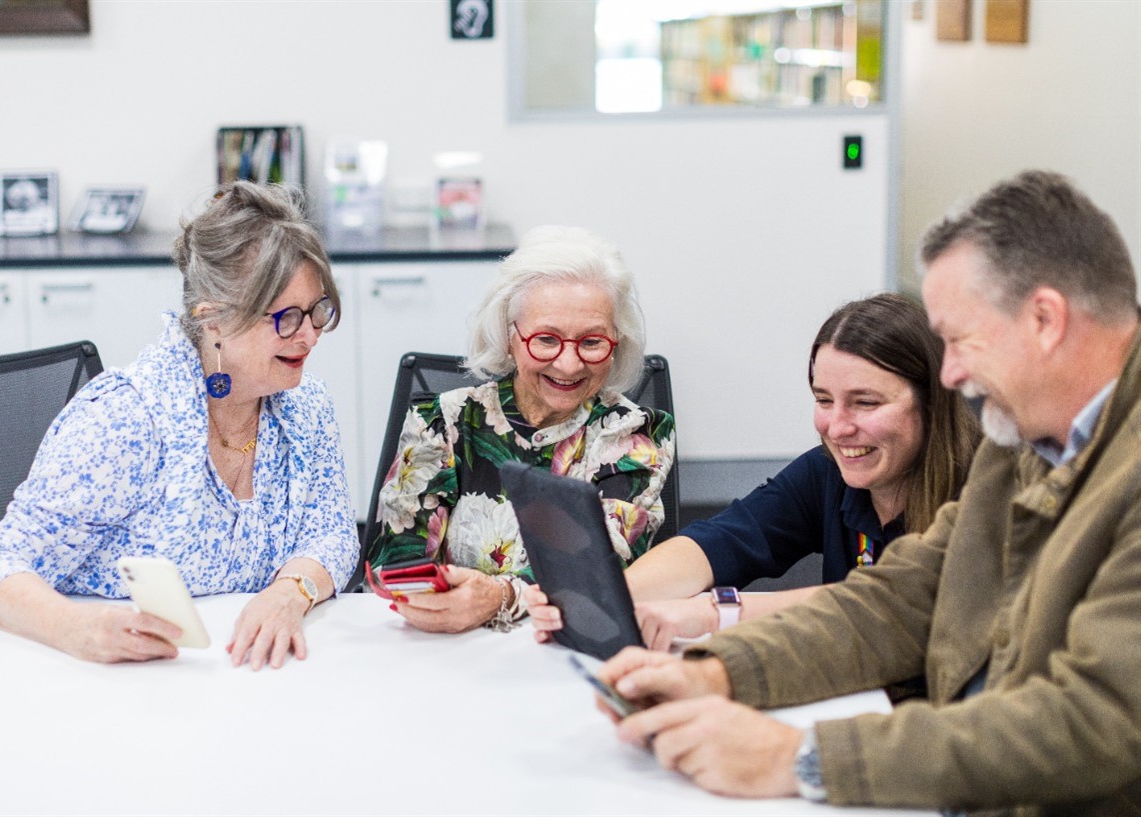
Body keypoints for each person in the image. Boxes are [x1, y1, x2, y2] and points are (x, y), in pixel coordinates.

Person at [596, 170, 1141, 815]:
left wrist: (797, 757)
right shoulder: (1023, 436)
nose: (950, 374)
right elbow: (904, 598)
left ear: (1045, 320)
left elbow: (1099, 719)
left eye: (961, 341)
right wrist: (714, 673)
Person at [0, 182, 360, 670]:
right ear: (213, 319)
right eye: (287, 318)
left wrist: (289, 593)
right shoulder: (126, 418)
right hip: (111, 683)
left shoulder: (305, 405)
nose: (310, 336)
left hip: (252, 680)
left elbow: (333, 535)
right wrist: (77, 629)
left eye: (319, 310)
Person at [530, 293, 980, 650]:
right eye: (824, 400)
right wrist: (609, 598)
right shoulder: (829, 471)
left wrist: (715, 612)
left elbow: (892, 602)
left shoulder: (984, 490)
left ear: (933, 402)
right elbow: (722, 541)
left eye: (866, 402)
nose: (838, 427)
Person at [367, 225, 676, 634]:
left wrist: (497, 598)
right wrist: (431, 600)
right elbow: (396, 557)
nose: (569, 365)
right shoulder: (443, 420)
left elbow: (598, 568)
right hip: (446, 640)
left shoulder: (634, 435)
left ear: (616, 342)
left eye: (592, 342)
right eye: (546, 339)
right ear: (509, 336)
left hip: (569, 641)